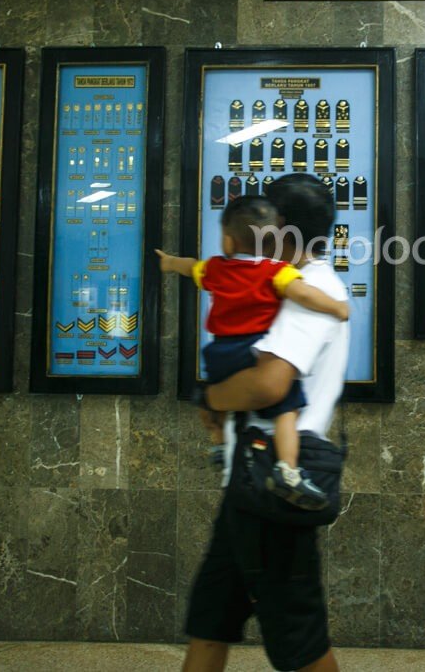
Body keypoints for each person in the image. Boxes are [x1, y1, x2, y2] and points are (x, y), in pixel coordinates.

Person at [181, 173, 348, 672]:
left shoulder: (312, 289)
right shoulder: (280, 285)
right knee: (209, 623)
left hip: (274, 487)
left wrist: (209, 395)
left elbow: (269, 385)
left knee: (301, 645)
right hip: (248, 481)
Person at [156, 194, 348, 509]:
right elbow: (304, 295)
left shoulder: (216, 268)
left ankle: (219, 443)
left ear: (229, 242)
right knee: (287, 408)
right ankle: (288, 469)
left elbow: (189, 267)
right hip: (250, 349)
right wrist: (338, 308)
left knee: (217, 395)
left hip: (219, 351)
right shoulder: (276, 273)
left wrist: (168, 262)